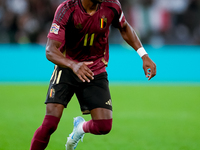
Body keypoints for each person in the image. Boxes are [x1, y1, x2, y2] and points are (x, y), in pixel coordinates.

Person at [30, 0, 156, 149]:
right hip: (67, 67)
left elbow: (124, 27)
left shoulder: (112, 5)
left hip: (94, 69)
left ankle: (80, 129)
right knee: (50, 124)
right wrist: (73, 65)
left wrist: (144, 55)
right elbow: (50, 50)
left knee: (104, 126)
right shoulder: (66, 9)